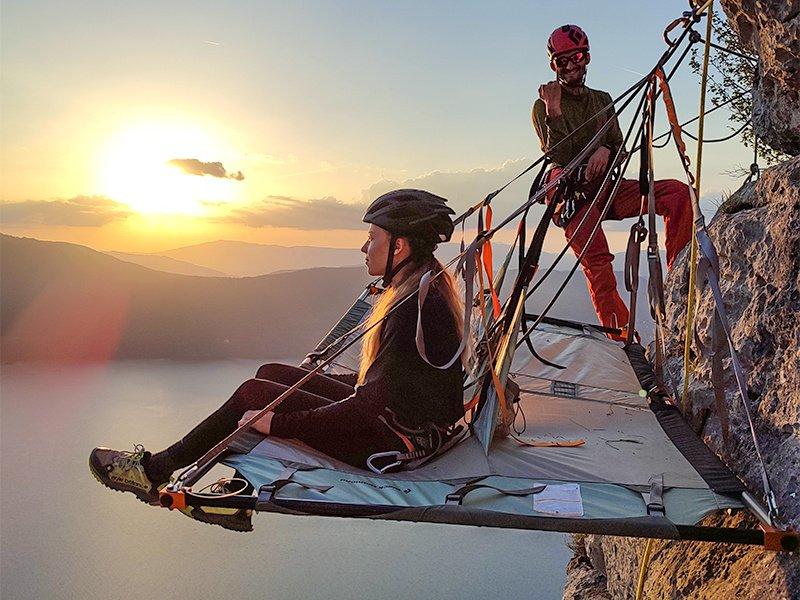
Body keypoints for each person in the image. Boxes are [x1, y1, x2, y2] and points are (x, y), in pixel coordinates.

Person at [89, 189, 468, 529]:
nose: (364, 248)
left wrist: (281, 423)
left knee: (256, 394)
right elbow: (396, 388)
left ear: (399, 247)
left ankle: (154, 471)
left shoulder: (408, 310)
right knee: (270, 373)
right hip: (409, 426)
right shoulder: (424, 288)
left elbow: (366, 410)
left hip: (392, 444)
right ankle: (232, 495)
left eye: (372, 238)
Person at [532, 24, 693, 335]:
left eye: (576, 56)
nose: (570, 65)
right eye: (561, 61)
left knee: (678, 194)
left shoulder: (602, 100)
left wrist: (606, 149)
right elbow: (560, 154)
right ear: (553, 65)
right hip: (572, 196)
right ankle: (620, 340)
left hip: (606, 188)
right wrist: (553, 109)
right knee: (600, 267)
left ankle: (680, 282)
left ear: (587, 57)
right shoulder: (543, 105)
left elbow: (620, 147)